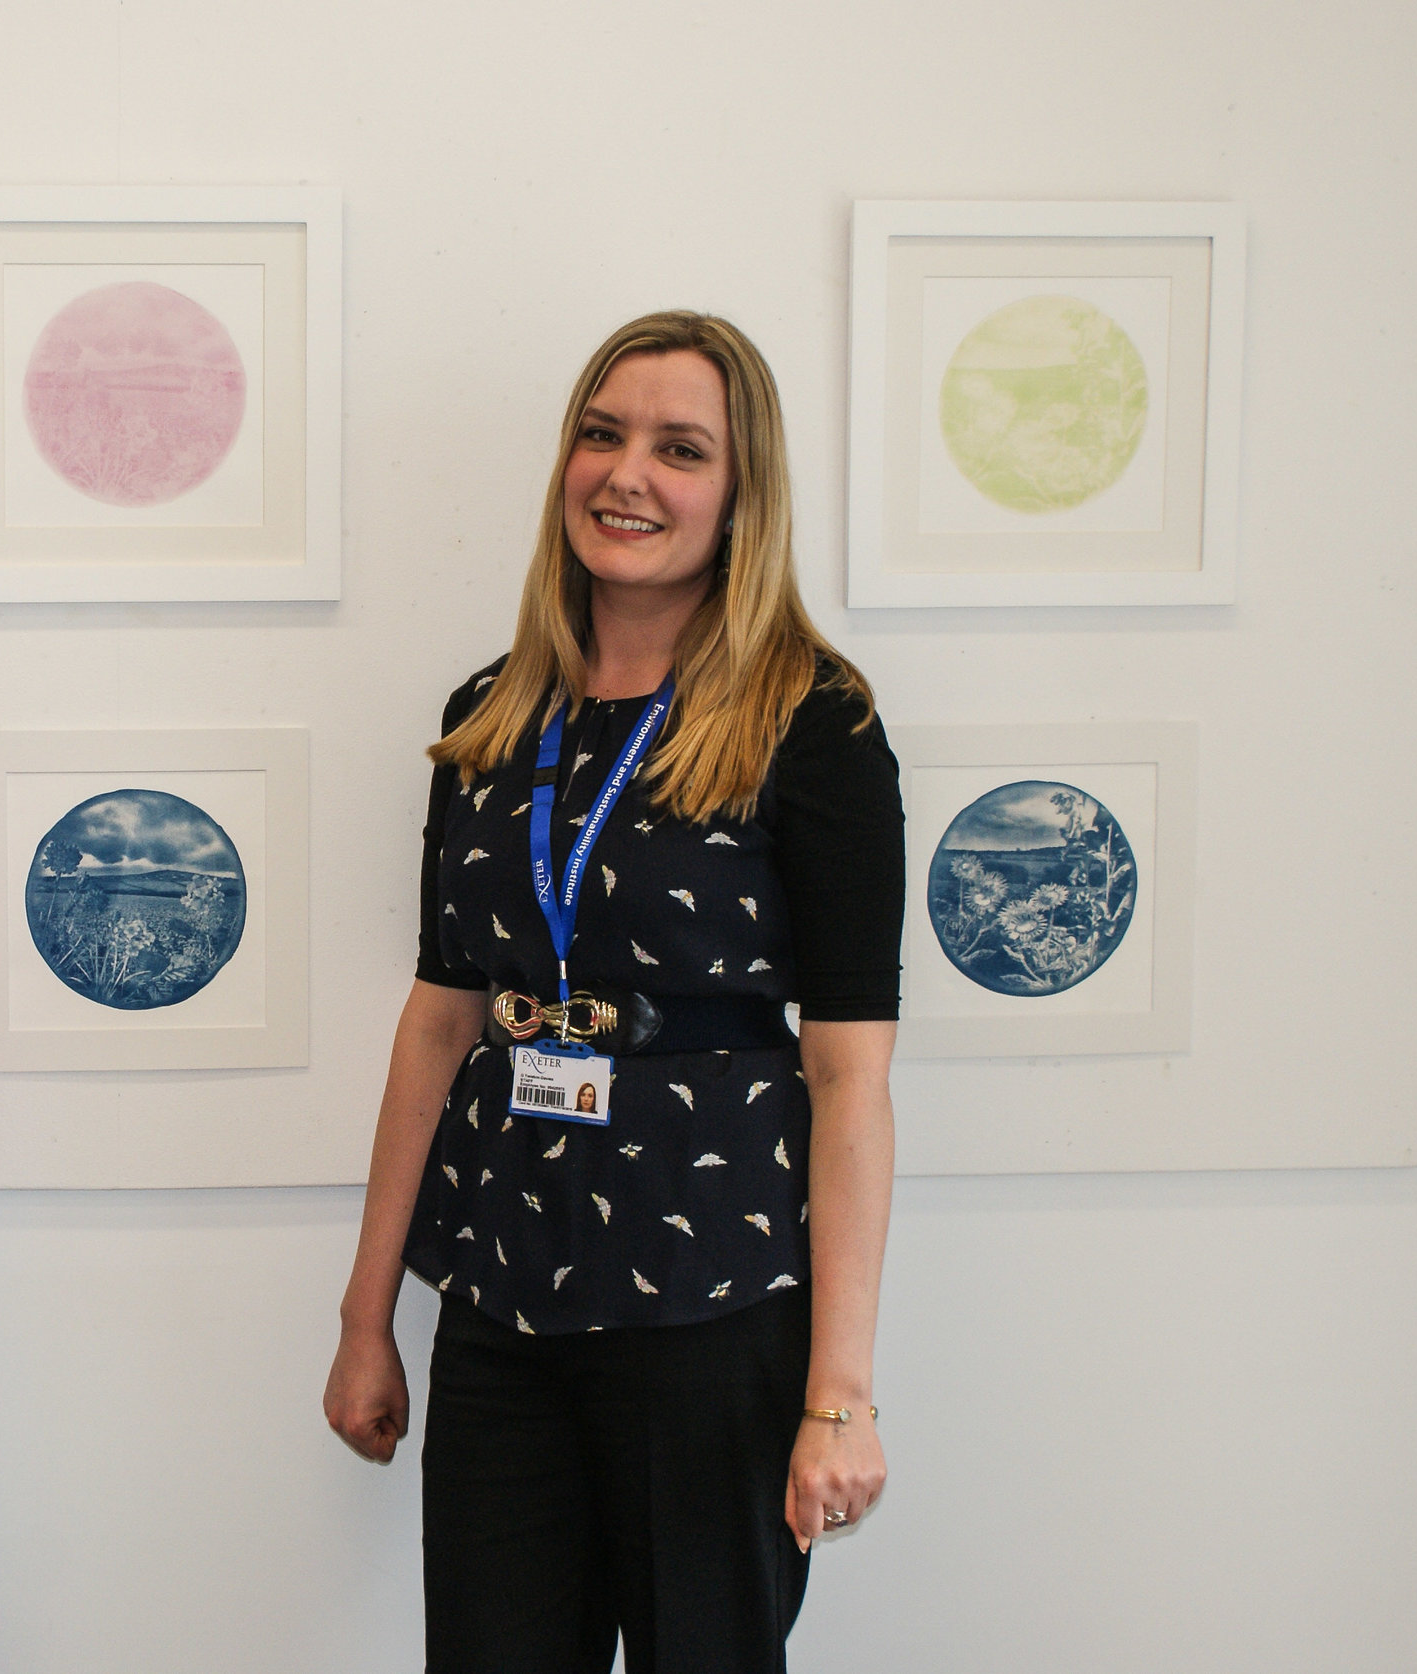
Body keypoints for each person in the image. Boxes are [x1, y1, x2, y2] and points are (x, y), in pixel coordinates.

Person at [322, 313, 902, 1673]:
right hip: (503, 1301)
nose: (626, 473)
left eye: (679, 448)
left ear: (740, 493)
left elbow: (850, 1077)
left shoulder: (813, 722)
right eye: (602, 433)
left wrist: (839, 1396)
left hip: (715, 1309)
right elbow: (439, 1026)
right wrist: (365, 1320)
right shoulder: (489, 718)